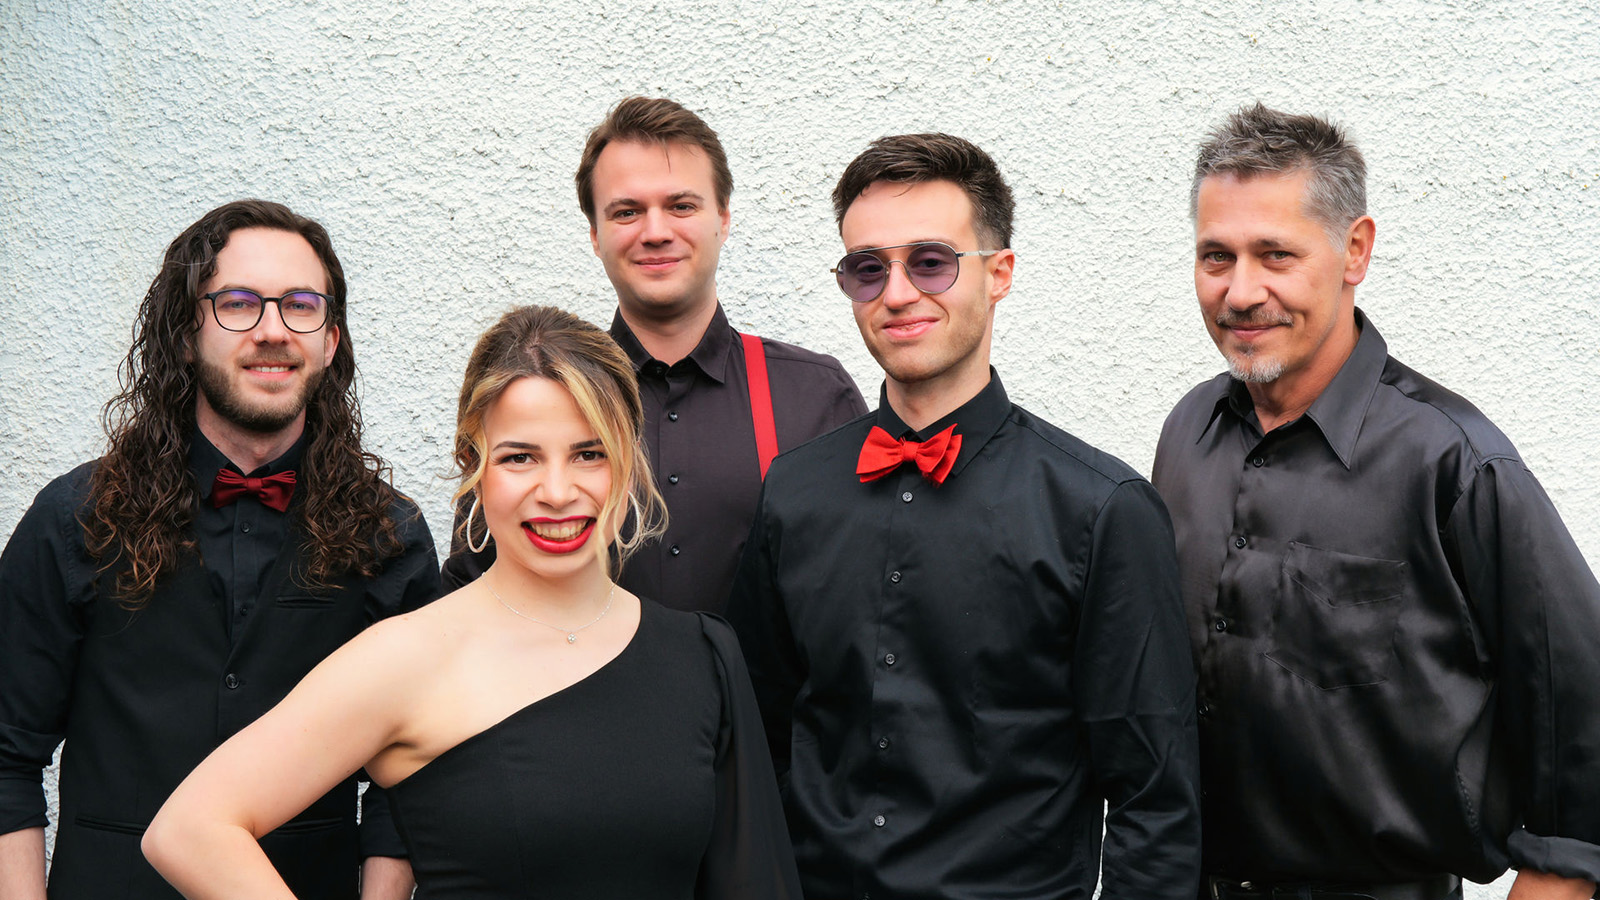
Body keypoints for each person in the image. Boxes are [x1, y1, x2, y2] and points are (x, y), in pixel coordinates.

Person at [143, 304, 802, 899]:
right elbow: (192, 829)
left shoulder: (702, 655)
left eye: (588, 454)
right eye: (520, 458)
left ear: (629, 462)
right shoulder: (406, 657)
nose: (557, 491)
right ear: (472, 464)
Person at [726, 134, 1200, 900]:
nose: (897, 293)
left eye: (931, 262)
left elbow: (1156, 800)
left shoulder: (1102, 510)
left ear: (998, 273)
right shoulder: (793, 491)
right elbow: (757, 738)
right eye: (868, 268)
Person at [1152, 103, 1600, 900]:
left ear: (1354, 250)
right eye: (1216, 256)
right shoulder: (1188, 432)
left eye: (1276, 254)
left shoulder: (1454, 462)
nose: (1241, 292)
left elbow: (1584, 712)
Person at [0, 199, 440, 900]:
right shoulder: (73, 518)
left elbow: (408, 775)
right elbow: (6, 755)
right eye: (238, 304)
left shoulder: (390, 535)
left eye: (301, 305)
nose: (273, 330)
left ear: (331, 340)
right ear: (185, 335)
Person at [442, 96, 866, 611]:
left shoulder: (814, 395)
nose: (656, 232)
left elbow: (857, 591)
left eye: (681, 206)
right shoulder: (530, 395)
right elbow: (473, 591)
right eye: (627, 212)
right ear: (595, 235)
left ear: (723, 218)